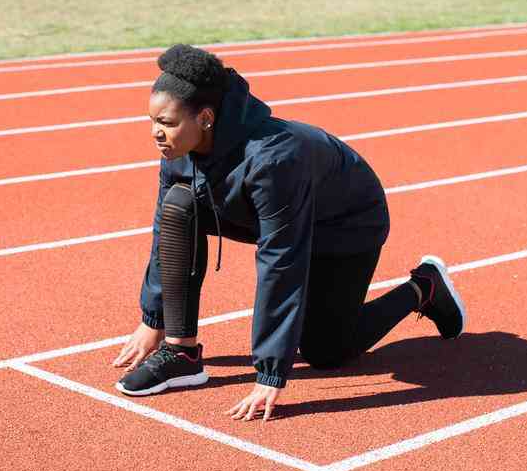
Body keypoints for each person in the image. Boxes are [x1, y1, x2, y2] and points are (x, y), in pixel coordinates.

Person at [111, 44, 465, 421]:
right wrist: (154, 319)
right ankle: (181, 352)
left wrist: (271, 370)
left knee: (327, 353)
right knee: (179, 206)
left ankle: (424, 287)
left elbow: (281, 260)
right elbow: (164, 230)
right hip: (268, 211)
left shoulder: (272, 160)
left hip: (345, 223)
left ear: (206, 118)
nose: (156, 133)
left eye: (166, 123)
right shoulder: (180, 150)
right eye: (152, 121)